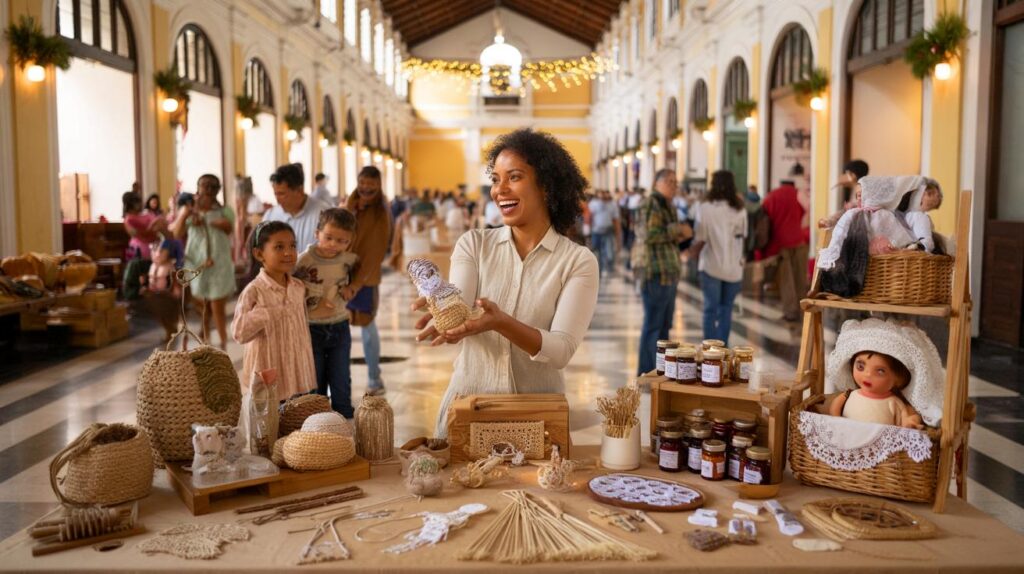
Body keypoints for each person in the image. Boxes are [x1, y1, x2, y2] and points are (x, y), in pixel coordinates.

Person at [413, 128, 599, 436]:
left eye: (514, 177)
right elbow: (460, 308)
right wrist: (444, 310)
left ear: (546, 186)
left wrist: (501, 323)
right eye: (496, 179)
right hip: (468, 406)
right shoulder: (474, 245)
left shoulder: (577, 261)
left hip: (536, 419)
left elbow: (560, 350)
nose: (500, 190)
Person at [231, 221, 316, 421]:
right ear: (259, 254)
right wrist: (265, 313)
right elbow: (239, 332)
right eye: (279, 247)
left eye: (292, 246)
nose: (288, 253)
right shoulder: (254, 291)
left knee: (296, 425)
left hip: (297, 374)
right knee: (267, 428)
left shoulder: (298, 287)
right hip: (269, 375)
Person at [294, 209, 360, 417]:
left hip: (340, 325)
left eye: (341, 241)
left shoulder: (348, 260)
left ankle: (344, 417)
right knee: (314, 379)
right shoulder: (304, 261)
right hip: (311, 328)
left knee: (341, 377)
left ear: (350, 241)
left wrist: (352, 287)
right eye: (328, 237)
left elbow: (359, 276)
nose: (333, 245)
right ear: (317, 233)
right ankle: (318, 419)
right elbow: (291, 288)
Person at [172, 174, 236, 349]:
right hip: (197, 262)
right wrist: (186, 214)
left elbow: (229, 228)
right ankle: (206, 340)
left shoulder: (225, 211)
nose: (208, 189)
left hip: (219, 262)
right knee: (202, 304)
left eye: (212, 186)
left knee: (216, 303)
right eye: (204, 185)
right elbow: (176, 233)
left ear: (218, 189)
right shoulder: (189, 210)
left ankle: (223, 343)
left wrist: (214, 222)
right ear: (198, 188)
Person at [344, 166, 391, 396]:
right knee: (339, 328)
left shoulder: (381, 212)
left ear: (379, 185)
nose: (366, 188)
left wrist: (358, 283)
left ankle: (374, 378)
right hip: (342, 275)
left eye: (371, 184)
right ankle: (339, 380)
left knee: (367, 326)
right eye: (363, 182)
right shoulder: (350, 204)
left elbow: (376, 251)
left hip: (365, 279)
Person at [637, 170, 688, 375]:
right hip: (656, 272)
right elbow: (649, 234)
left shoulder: (668, 205)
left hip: (669, 272)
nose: (674, 185)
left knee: (665, 327)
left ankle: (660, 371)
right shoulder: (652, 203)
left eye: (675, 182)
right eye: (669, 181)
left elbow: (666, 236)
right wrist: (679, 230)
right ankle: (647, 373)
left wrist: (681, 234)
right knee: (653, 326)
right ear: (656, 183)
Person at [690, 170, 748, 345]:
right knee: (726, 309)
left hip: (711, 265)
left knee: (710, 310)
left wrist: (689, 254)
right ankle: (723, 349)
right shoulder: (740, 209)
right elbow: (743, 235)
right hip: (734, 267)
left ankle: (710, 350)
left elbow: (700, 236)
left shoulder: (705, 208)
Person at [762, 179, 808, 322]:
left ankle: (791, 312)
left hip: (781, 243)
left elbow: (765, 219)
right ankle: (804, 310)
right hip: (799, 240)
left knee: (786, 280)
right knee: (800, 279)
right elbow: (804, 212)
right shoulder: (799, 194)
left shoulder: (772, 196)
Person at [263, 163, 329, 252]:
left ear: (299, 190)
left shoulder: (323, 215)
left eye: (282, 194)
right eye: (276, 194)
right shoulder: (270, 216)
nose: (278, 200)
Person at [819, 159, 870, 229]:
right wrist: (830, 220)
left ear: (853, 175)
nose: (844, 175)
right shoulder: (854, 189)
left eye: (846, 173)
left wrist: (836, 183)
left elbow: (851, 211)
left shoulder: (862, 190)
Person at [123, 192, 165, 261]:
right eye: (138, 202)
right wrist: (152, 228)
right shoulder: (128, 219)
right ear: (132, 204)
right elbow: (138, 235)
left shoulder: (146, 214)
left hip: (154, 244)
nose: (141, 204)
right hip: (140, 248)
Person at [588, 189, 619, 278]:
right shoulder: (593, 204)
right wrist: (588, 231)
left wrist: (618, 234)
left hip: (608, 231)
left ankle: (608, 268)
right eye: (601, 194)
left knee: (608, 251)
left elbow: (615, 220)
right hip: (596, 232)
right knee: (596, 251)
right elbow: (589, 217)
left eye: (605, 194)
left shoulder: (612, 205)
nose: (603, 196)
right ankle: (598, 270)